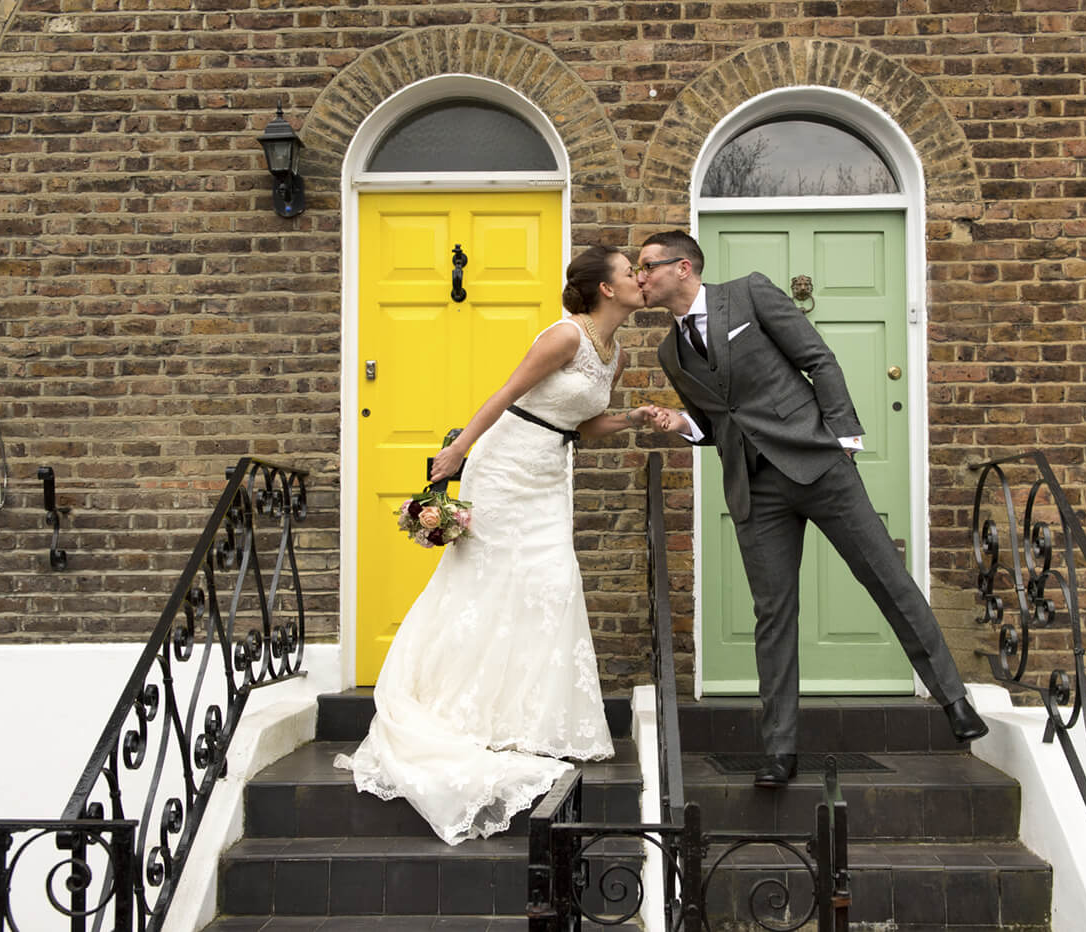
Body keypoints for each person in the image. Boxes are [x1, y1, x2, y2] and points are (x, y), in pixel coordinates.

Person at [637, 230, 987, 789]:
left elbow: (818, 359)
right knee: (774, 617)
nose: (639, 277)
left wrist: (843, 439)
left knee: (887, 579)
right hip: (755, 488)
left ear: (683, 267)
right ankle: (779, 750)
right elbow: (716, 419)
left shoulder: (748, 294)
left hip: (819, 466)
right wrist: (682, 425)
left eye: (647, 266)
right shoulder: (669, 352)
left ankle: (954, 701)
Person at [336, 245, 654, 844]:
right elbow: (506, 395)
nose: (640, 278)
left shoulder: (616, 353)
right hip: (505, 467)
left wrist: (634, 420)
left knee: (552, 586)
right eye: (629, 270)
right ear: (605, 288)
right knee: (485, 584)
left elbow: (583, 427)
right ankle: (457, 705)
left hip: (549, 476)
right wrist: (458, 452)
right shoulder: (564, 337)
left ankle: (526, 718)